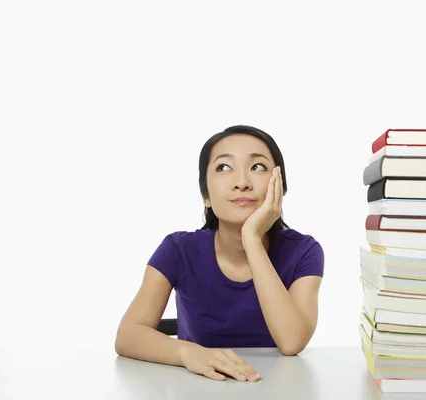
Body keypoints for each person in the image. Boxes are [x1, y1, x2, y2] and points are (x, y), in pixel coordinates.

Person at [115, 125, 325, 382]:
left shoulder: (304, 251)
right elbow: (127, 334)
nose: (242, 183)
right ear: (206, 195)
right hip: (199, 384)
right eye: (224, 167)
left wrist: (252, 239)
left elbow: (292, 342)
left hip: (277, 386)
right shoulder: (178, 248)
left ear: (280, 187)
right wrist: (189, 354)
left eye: (257, 167)